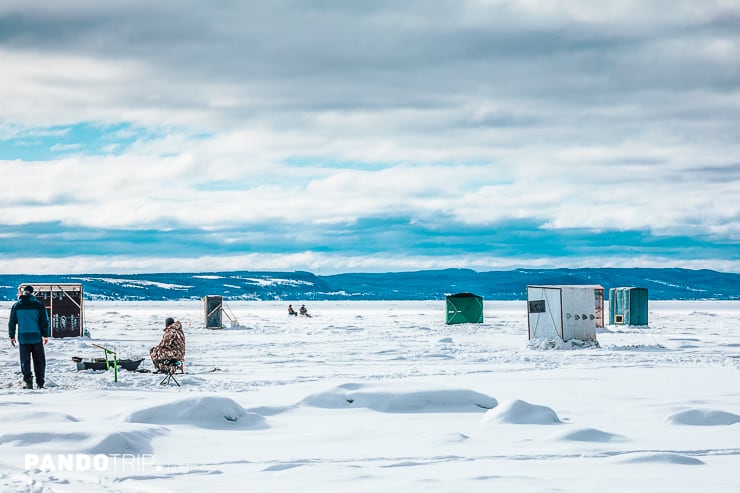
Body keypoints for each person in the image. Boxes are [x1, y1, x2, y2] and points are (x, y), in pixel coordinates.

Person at [8, 285, 50, 389]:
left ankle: (28, 382)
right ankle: (40, 383)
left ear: (23, 293)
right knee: (39, 361)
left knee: (25, 361)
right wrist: (45, 335)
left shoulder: (16, 306)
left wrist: (12, 336)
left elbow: (12, 322)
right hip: (36, 337)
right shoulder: (39, 305)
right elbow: (44, 321)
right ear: (32, 293)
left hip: (23, 337)